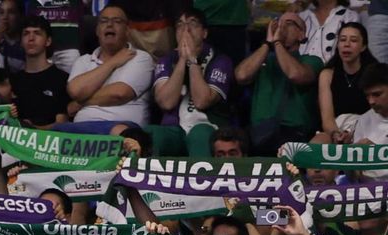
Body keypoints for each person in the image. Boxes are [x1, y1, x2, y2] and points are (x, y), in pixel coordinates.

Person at [235, 13, 323, 155]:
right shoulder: (263, 59)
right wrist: (267, 44)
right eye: (278, 23)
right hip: (259, 135)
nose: (280, 27)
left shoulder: (311, 60)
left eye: (289, 23)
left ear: (301, 35)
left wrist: (277, 43)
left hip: (295, 135)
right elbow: (241, 75)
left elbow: (295, 75)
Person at [151, 10, 234, 155]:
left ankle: (202, 178)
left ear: (204, 33)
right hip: (173, 128)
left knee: (199, 134)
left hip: (207, 126)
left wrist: (192, 60)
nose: (186, 30)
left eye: (192, 24)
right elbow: (166, 102)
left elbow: (202, 101)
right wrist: (182, 60)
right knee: (151, 134)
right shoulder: (166, 60)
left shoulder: (221, 60)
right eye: (180, 25)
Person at [67, 5, 154, 128]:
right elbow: (75, 91)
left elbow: (119, 94)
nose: (109, 25)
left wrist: (81, 102)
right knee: (52, 132)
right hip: (81, 132)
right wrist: (113, 63)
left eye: (117, 21)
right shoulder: (83, 61)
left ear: (127, 31)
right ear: (97, 30)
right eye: (104, 21)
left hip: (121, 130)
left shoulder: (140, 57)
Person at [3, 17, 73, 128]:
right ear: (21, 42)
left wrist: (33, 129)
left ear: (48, 41)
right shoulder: (13, 81)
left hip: (49, 142)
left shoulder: (62, 79)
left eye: (37, 33)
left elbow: (62, 124)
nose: (31, 38)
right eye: (26, 34)